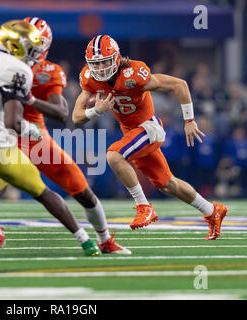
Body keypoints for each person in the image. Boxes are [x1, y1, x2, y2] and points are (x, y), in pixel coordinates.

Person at [0, 17, 130, 255]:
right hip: (1, 131)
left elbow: (61, 112)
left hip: (33, 134)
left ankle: (104, 240)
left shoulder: (47, 71)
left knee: (81, 189)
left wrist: (30, 99)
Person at [72, 35, 228, 240]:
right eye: (96, 63)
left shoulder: (134, 73)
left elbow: (179, 85)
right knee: (167, 184)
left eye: (104, 62)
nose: (100, 68)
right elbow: (76, 117)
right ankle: (212, 210)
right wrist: (97, 112)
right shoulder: (90, 79)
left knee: (113, 155)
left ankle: (143, 206)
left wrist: (189, 120)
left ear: (117, 59)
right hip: (133, 134)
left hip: (148, 128)